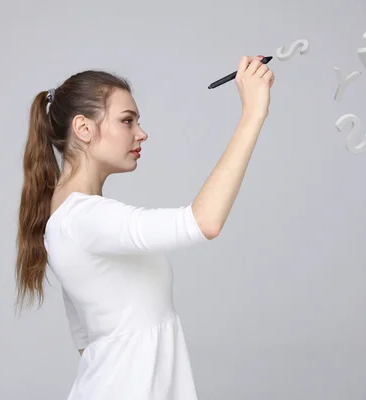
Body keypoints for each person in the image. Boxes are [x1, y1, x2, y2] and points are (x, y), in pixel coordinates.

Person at [15, 55, 275, 399]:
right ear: (83, 128)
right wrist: (253, 113)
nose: (142, 133)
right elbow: (203, 222)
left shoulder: (66, 219)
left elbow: (86, 341)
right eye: (127, 121)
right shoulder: (85, 218)